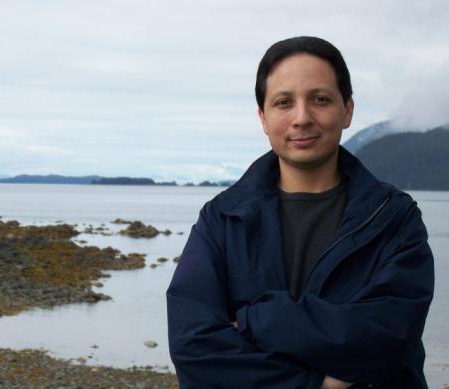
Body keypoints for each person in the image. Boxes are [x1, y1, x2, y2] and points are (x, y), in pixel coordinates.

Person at [166, 36, 434, 388]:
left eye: (319, 99)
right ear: (263, 117)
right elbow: (194, 347)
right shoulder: (222, 219)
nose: (302, 118)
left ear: (347, 110)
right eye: (283, 102)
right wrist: (314, 383)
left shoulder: (394, 218)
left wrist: (258, 320)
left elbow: (389, 336)